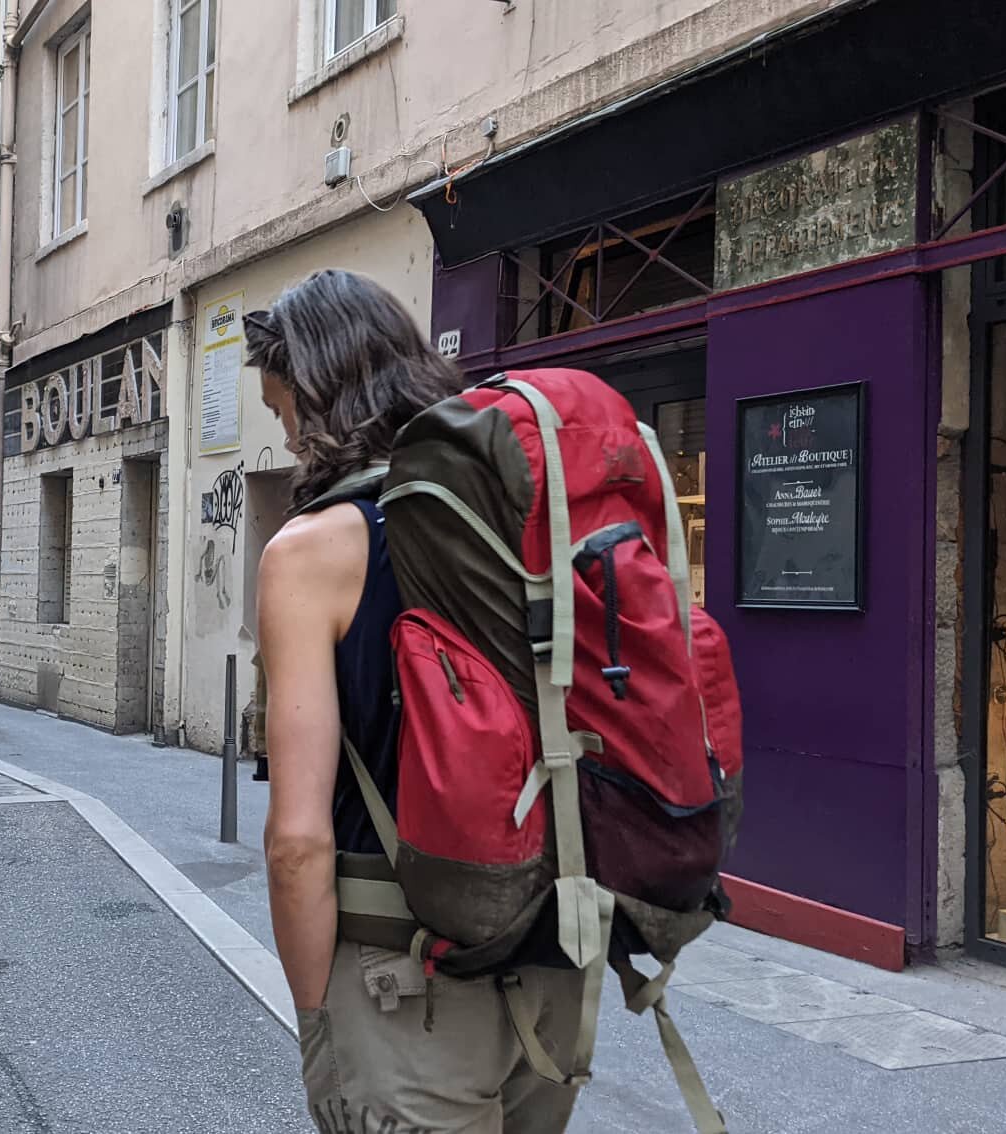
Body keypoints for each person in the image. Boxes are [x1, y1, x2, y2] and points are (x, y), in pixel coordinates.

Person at [251, 269, 586, 1133]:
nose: (286, 438)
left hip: (402, 983)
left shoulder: (311, 553)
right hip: (553, 961)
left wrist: (319, 1012)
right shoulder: (523, 512)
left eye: (283, 411)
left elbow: (297, 842)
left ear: (318, 394)